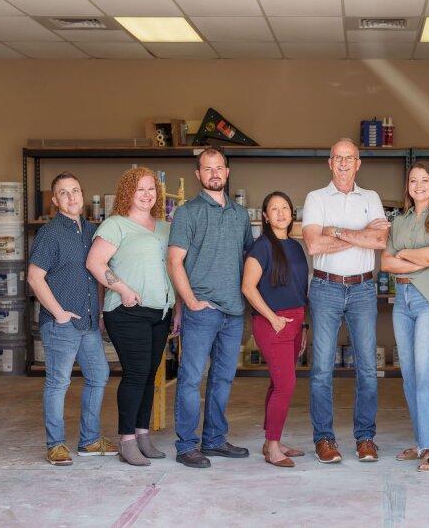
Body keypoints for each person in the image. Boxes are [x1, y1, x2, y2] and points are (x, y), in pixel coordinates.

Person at [302, 138, 389, 463]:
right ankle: (324, 439)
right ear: (330, 163)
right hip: (325, 287)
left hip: (363, 289)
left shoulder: (371, 198)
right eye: (337, 157)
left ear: (358, 163)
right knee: (321, 369)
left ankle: (365, 438)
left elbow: (379, 240)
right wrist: (360, 234)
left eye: (349, 158)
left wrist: (335, 232)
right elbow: (313, 245)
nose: (342, 163)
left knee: (367, 368)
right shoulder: (316, 198)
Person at [86, 167, 179, 466]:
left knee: (149, 375)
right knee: (136, 373)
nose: (147, 194)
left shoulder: (165, 228)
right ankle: (126, 440)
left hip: (160, 311)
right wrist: (123, 289)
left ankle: (142, 435)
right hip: (127, 311)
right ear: (128, 192)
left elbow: (173, 270)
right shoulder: (116, 225)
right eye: (140, 189)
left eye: (151, 188)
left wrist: (176, 307)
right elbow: (95, 263)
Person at [168, 148, 253, 469]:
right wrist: (191, 302)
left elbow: (248, 260)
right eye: (208, 168)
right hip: (202, 310)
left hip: (233, 311)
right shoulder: (187, 213)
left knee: (223, 379)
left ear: (227, 172)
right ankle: (187, 445)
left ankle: (215, 439)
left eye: (219, 168)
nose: (214, 173)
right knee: (191, 379)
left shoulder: (240, 215)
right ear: (198, 174)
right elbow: (174, 262)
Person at [27, 172, 116, 466]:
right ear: (55, 200)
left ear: (82, 194)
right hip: (61, 323)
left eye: (75, 190)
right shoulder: (50, 233)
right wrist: (59, 313)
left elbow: (98, 274)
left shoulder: (93, 231)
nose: (71, 196)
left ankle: (89, 440)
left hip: (88, 322)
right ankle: (55, 445)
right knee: (58, 382)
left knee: (99, 375)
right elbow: (34, 277)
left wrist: (99, 312)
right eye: (63, 193)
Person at [381, 162, 429, 472]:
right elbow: (386, 263)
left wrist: (404, 255)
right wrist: (419, 258)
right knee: (410, 376)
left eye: (425, 180)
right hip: (403, 301)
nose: (419, 185)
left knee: (427, 375)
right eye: (413, 180)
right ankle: (425, 439)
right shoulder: (399, 221)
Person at [241, 191, 309, 468]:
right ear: (265, 216)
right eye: (274, 209)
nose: (280, 213)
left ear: (292, 214)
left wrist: (304, 326)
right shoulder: (261, 247)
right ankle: (272, 447)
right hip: (273, 324)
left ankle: (273, 441)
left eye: (285, 208)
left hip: (295, 321)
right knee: (285, 385)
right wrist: (273, 318)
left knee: (278, 383)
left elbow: (300, 289)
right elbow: (248, 287)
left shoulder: (296, 247)